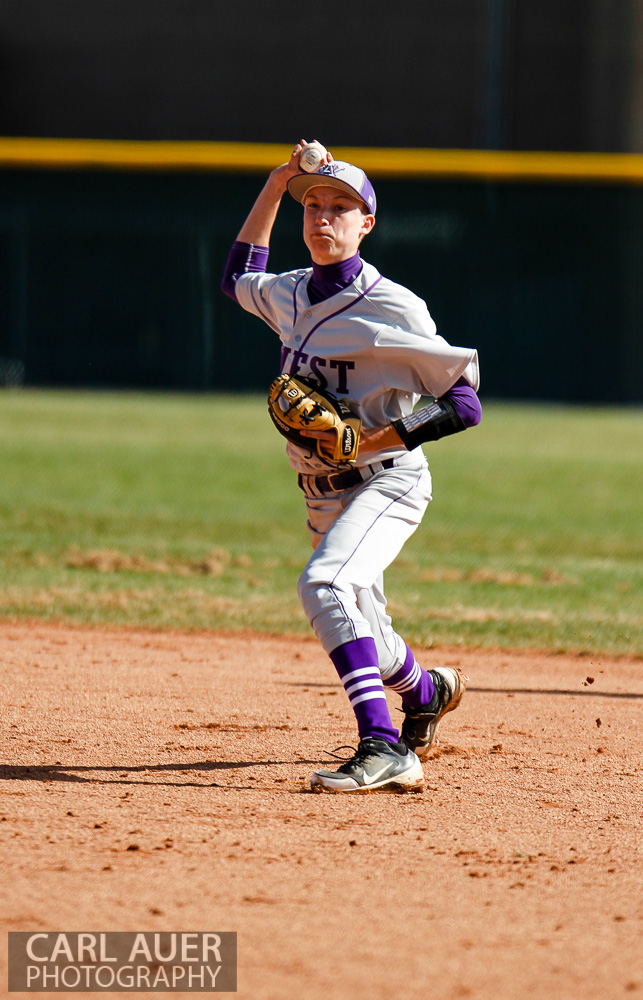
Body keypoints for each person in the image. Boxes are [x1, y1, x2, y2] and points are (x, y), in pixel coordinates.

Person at [222, 140, 481, 793]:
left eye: (341, 207)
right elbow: (234, 275)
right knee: (365, 623)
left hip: (387, 480)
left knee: (324, 588)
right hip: (317, 492)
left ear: (365, 224)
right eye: (314, 205)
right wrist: (280, 180)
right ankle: (426, 691)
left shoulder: (392, 307)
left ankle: (383, 745)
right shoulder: (286, 293)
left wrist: (366, 442)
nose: (322, 217)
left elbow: (463, 402)